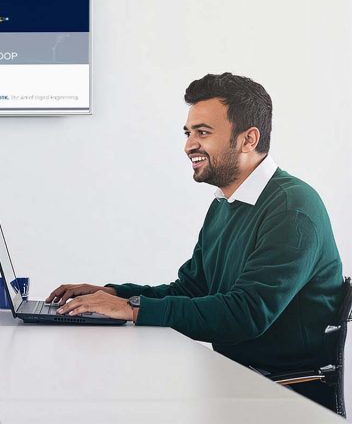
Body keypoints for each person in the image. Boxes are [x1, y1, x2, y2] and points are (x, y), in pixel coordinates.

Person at [46, 73, 343, 409]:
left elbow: (246, 315)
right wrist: (115, 294)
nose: (189, 145)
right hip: (234, 380)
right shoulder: (226, 204)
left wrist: (133, 310)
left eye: (203, 132)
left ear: (249, 139)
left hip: (284, 396)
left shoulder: (293, 208)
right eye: (189, 133)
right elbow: (192, 289)